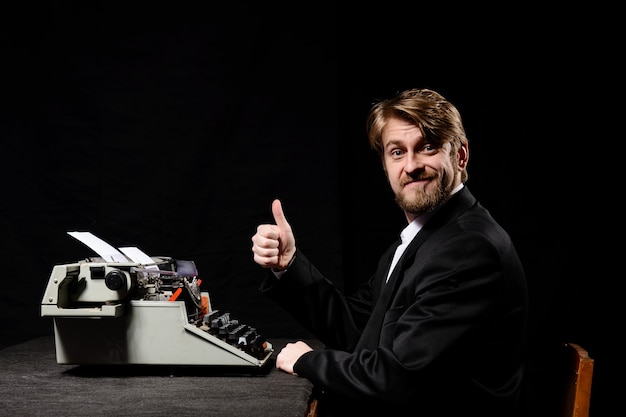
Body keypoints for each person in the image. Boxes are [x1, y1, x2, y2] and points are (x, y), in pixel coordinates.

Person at [251, 88, 528, 416]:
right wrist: (289, 264)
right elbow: (356, 330)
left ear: (461, 155)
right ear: (385, 165)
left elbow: (396, 378)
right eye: (397, 152)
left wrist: (307, 361)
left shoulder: (468, 248)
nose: (411, 166)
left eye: (427, 147)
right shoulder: (428, 236)